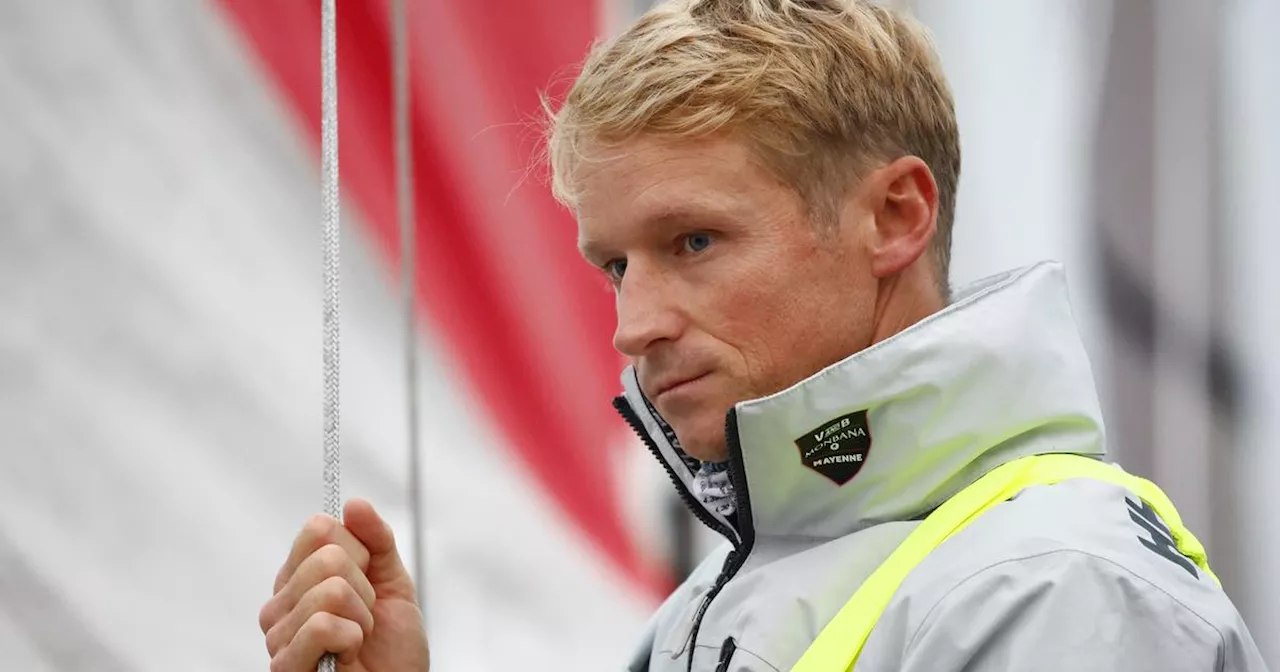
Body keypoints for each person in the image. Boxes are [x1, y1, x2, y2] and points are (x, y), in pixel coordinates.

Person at [258, 0, 1270, 670]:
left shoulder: (1056, 590)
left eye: (692, 240)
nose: (631, 326)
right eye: (615, 266)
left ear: (893, 217)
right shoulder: (710, 607)